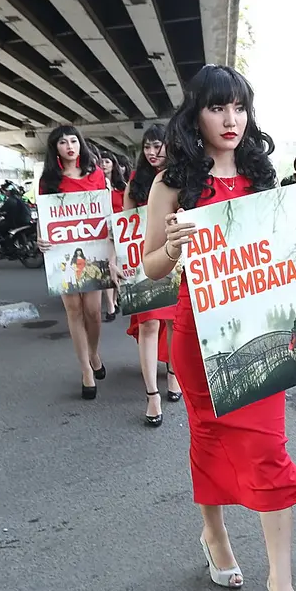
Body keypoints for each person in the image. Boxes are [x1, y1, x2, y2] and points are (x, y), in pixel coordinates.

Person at [143, 64, 296, 591]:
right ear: (196, 115)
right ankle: (213, 533)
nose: (231, 119)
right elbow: (151, 267)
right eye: (219, 108)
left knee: (269, 450)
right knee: (208, 435)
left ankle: (281, 581)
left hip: (257, 329)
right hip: (198, 332)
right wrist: (172, 244)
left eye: (239, 107)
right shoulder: (172, 181)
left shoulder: (264, 177)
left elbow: (282, 263)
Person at [35, 126, 108, 399]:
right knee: (74, 310)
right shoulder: (48, 181)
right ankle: (85, 370)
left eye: (73, 140)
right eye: (63, 142)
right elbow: (43, 216)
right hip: (61, 251)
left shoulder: (96, 174)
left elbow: (104, 213)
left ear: (80, 144)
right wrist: (40, 239)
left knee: (93, 311)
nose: (69, 146)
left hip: (93, 248)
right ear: (55, 148)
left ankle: (94, 352)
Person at [122, 125, 181, 427]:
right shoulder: (136, 182)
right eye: (147, 146)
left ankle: (173, 373)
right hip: (143, 263)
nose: (153, 152)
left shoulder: (181, 178)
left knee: (173, 321)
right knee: (149, 324)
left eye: (158, 145)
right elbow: (124, 227)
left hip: (174, 262)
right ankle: (151, 395)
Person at [100, 149, 126, 321]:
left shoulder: (122, 186)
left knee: (118, 267)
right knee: (106, 268)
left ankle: (115, 300)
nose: (104, 164)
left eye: (107, 161)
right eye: (101, 162)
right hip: (101, 231)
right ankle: (110, 306)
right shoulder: (95, 185)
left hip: (119, 230)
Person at [0, 181, 32, 257]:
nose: (5, 193)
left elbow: (1, 210)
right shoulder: (19, 199)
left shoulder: (10, 200)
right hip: (22, 221)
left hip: (13, 222)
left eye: (5, 191)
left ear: (9, 191)